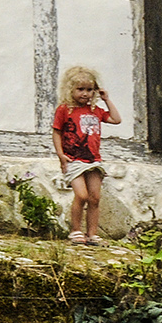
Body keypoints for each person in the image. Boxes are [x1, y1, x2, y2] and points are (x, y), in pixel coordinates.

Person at [50, 65, 121, 244]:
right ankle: (75, 231)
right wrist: (60, 154)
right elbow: (57, 132)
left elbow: (116, 119)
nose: (85, 94)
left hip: (93, 160)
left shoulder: (95, 111)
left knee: (94, 198)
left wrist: (106, 100)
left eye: (89, 90)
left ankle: (92, 234)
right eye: (80, 89)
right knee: (81, 195)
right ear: (70, 89)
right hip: (74, 159)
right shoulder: (65, 109)